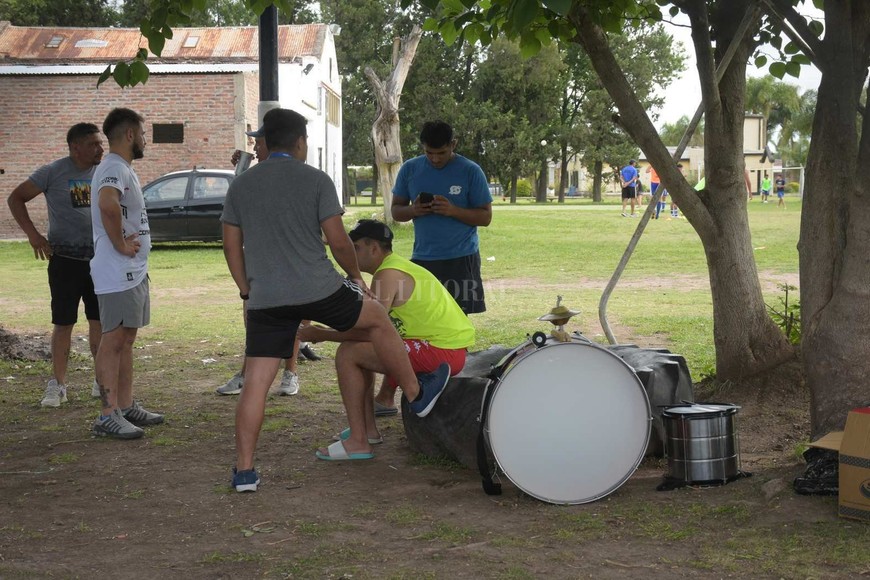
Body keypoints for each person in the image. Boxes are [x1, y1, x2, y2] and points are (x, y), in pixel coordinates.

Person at [221, 108, 450, 491]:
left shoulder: (241, 185)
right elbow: (340, 241)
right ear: (299, 142)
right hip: (320, 288)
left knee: (256, 383)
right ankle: (416, 393)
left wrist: (247, 290)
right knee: (377, 318)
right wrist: (356, 276)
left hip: (266, 298)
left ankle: (245, 471)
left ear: (267, 142)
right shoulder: (316, 179)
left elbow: (231, 247)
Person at [298, 219, 475, 442]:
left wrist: (322, 334)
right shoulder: (393, 267)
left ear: (373, 248)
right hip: (445, 348)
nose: (351, 254)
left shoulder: (388, 274)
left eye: (356, 248)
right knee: (358, 349)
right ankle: (367, 430)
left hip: (442, 351)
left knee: (349, 353)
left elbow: (369, 331)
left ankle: (363, 435)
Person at [216, 125, 319, 398]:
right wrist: (240, 171)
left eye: (258, 143)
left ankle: (289, 373)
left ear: (271, 144)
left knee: (292, 319)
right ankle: (247, 374)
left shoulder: (296, 178)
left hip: (291, 264)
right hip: (259, 265)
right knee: (254, 322)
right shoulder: (252, 178)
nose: (255, 148)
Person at [7, 124, 105, 407]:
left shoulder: (105, 172)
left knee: (99, 321)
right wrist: (33, 235)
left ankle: (101, 380)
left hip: (100, 261)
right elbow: (16, 198)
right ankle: (58, 385)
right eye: (93, 144)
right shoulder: (52, 172)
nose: (100, 149)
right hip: (65, 261)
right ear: (75, 147)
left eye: (100, 143)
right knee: (63, 323)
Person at [90, 107, 164, 439]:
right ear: (130, 135)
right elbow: (107, 204)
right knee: (115, 339)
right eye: (143, 134)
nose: (145, 141)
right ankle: (107, 415)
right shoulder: (113, 168)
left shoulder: (121, 168)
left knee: (126, 339)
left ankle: (126, 404)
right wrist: (120, 244)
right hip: (118, 272)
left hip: (132, 271)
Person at [391, 120, 492, 315]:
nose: (435, 159)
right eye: (429, 153)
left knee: (458, 317)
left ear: (453, 144)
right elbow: (396, 211)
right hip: (423, 258)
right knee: (424, 315)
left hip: (461, 258)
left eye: (441, 153)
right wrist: (414, 210)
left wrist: (453, 210)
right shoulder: (410, 169)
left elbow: (486, 217)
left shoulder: (470, 171)